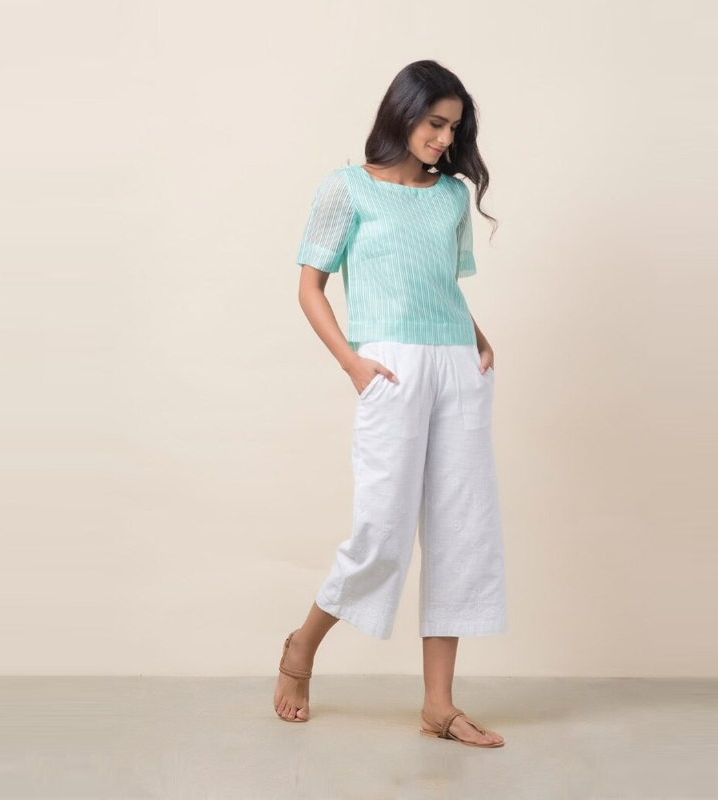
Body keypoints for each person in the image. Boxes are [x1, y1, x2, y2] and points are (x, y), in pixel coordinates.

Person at [274, 60, 507, 748]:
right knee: (381, 531)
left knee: (462, 530)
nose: (445, 139)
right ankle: (301, 646)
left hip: (457, 365)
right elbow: (310, 287)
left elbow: (440, 286)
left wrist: (477, 338)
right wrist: (354, 365)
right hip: (390, 369)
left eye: (454, 128)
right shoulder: (346, 188)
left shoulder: (451, 196)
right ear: (402, 113)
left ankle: (439, 704)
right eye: (435, 123)